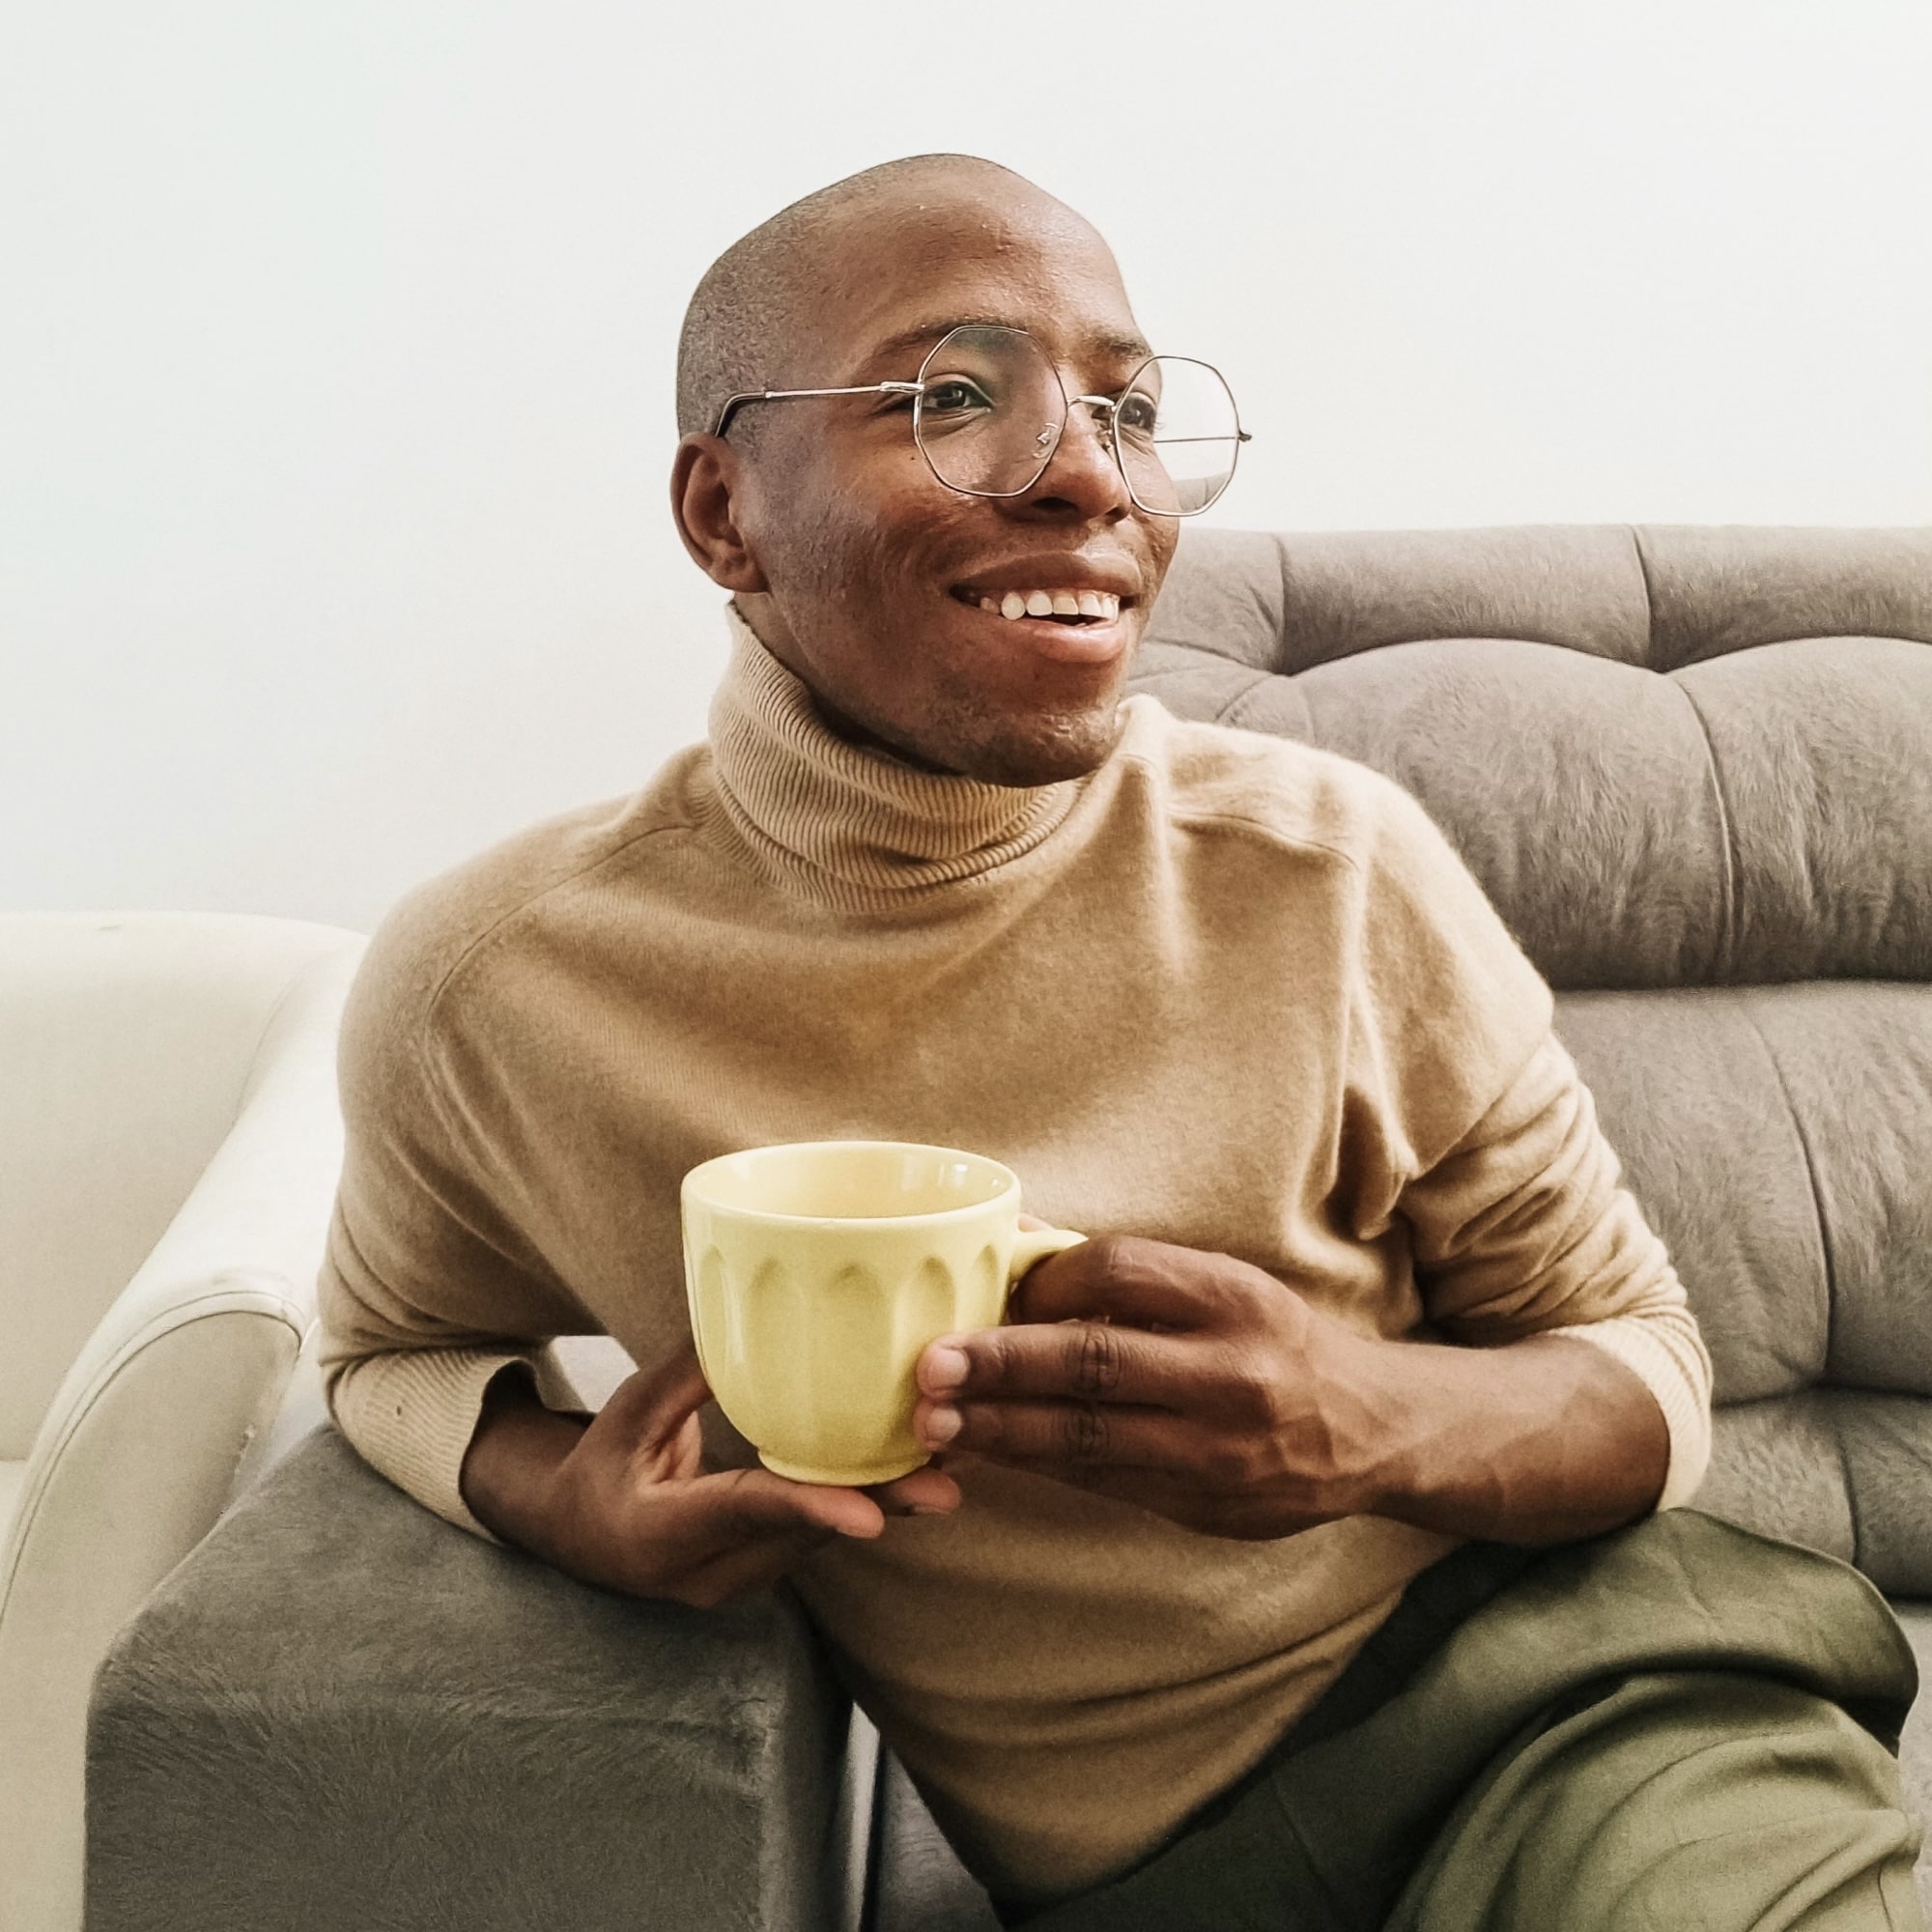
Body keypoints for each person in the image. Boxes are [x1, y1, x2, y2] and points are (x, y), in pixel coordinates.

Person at [318, 154, 1924, 1928]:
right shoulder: (498, 985)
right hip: (1144, 1880)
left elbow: (1644, 1371)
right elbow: (389, 1348)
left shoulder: (1331, 870)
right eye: (951, 397)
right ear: (723, 513)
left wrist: (1360, 1422)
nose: (1090, 472)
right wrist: (569, 1503)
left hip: (1583, 1718)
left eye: (1130, 409)